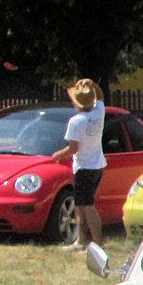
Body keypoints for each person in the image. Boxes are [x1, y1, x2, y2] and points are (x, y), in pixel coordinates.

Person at [50, 78, 106, 250]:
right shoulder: (98, 112)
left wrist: (57, 155)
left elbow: (73, 148)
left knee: (87, 205)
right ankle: (80, 241)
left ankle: (97, 242)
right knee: (81, 205)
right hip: (97, 165)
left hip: (84, 167)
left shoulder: (76, 121)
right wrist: (93, 85)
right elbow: (101, 96)